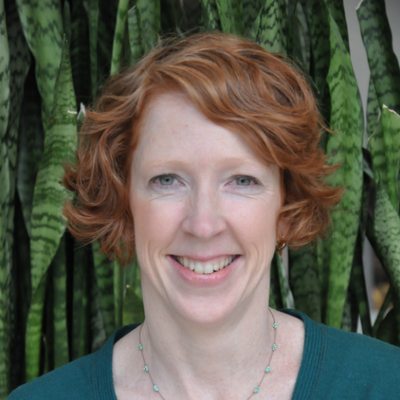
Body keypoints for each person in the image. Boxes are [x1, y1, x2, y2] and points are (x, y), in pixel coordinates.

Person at [9, 32, 400, 400]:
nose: (203, 224)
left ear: (286, 202)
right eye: (167, 179)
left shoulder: (385, 384)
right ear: (124, 200)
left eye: (242, 180)